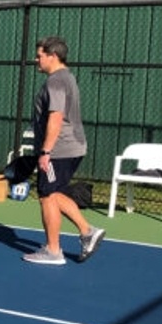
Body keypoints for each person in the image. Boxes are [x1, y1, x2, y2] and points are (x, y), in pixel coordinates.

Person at [24, 36, 105, 265]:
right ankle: (88, 231)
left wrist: (45, 151)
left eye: (40, 55)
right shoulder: (66, 77)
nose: (36, 60)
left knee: (46, 196)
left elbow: (56, 117)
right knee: (54, 192)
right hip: (72, 147)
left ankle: (54, 250)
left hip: (59, 150)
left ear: (53, 56)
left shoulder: (56, 81)